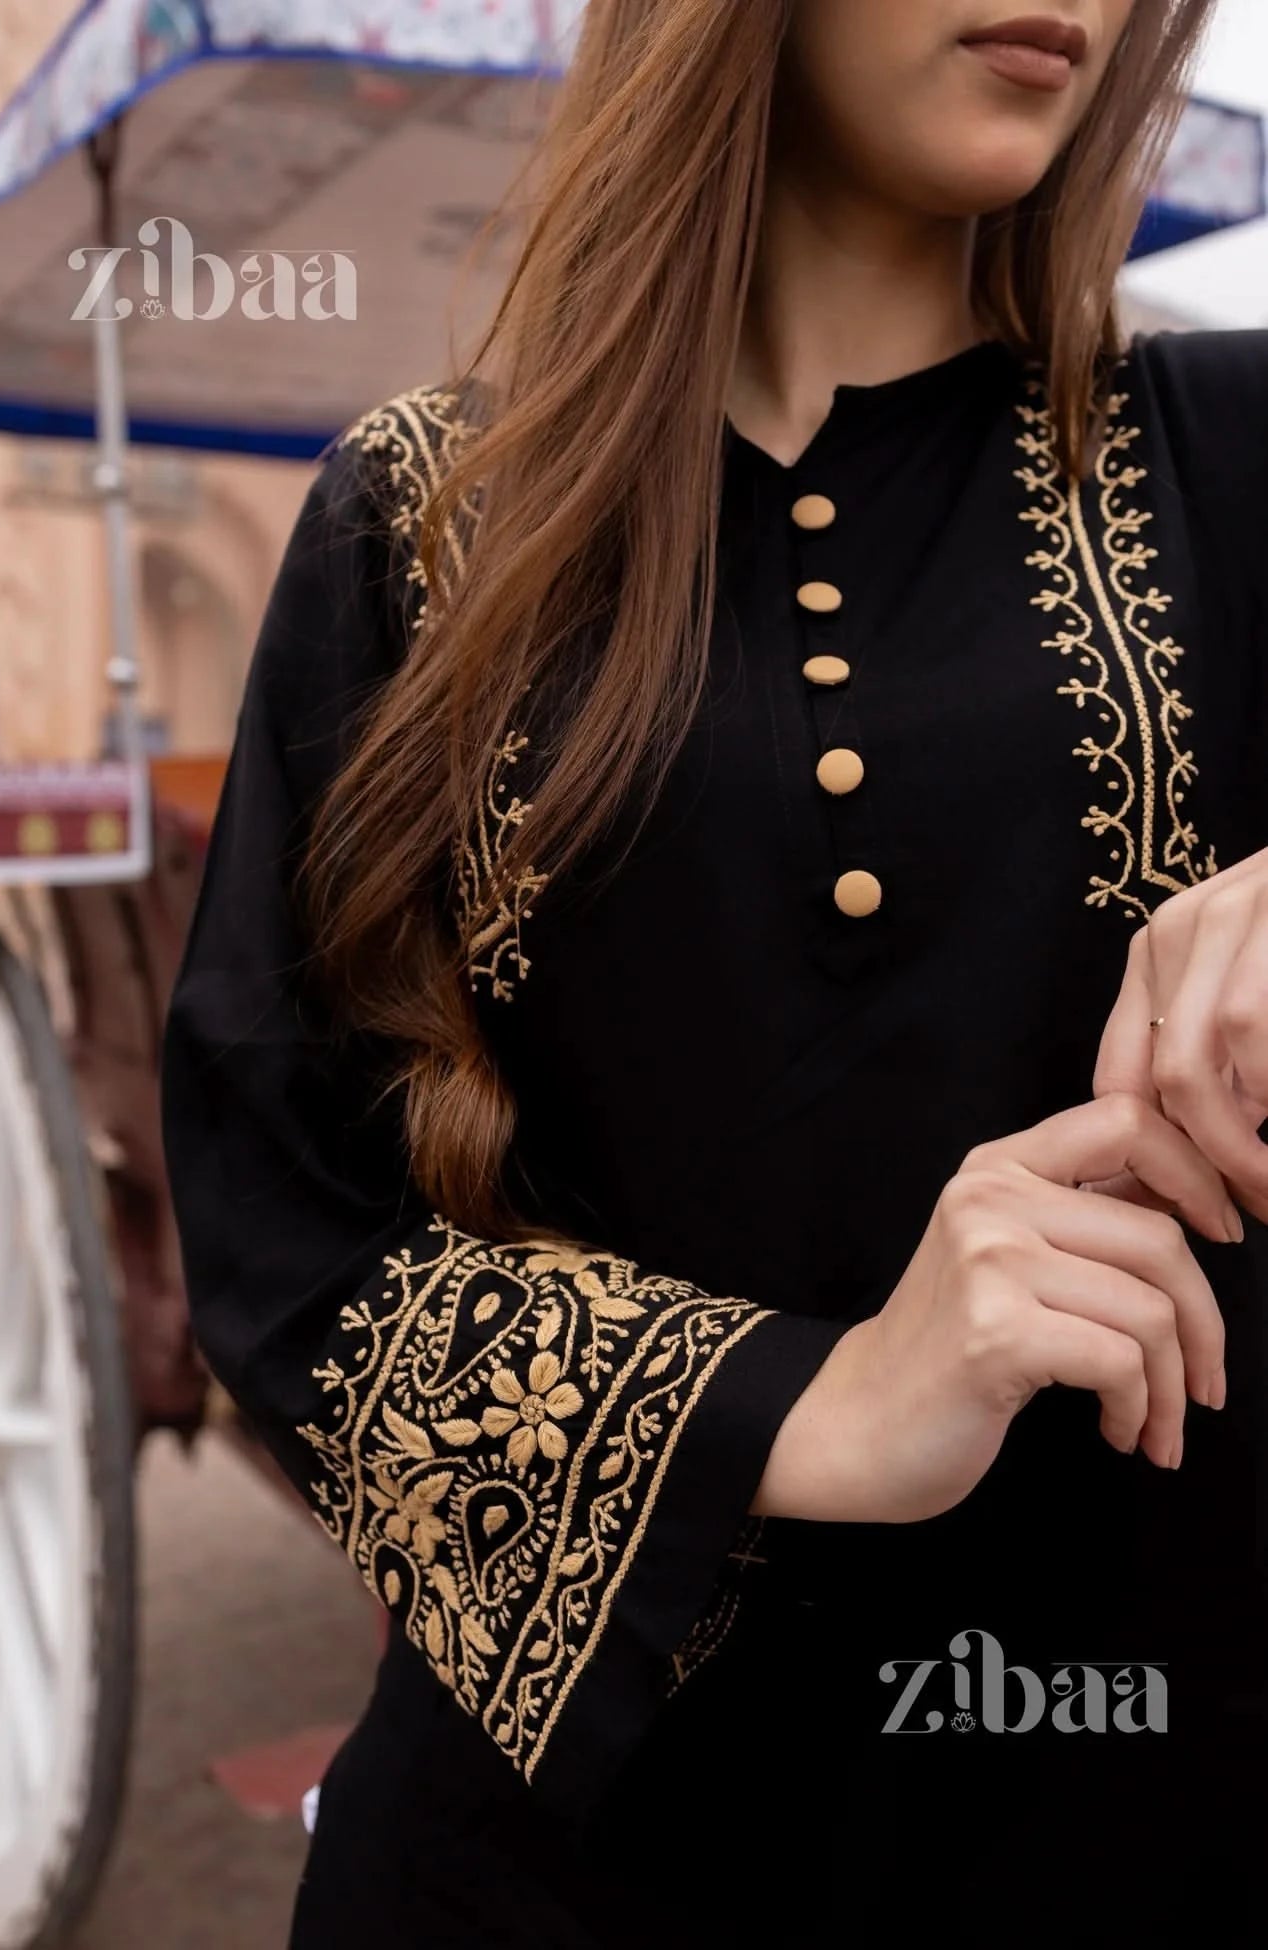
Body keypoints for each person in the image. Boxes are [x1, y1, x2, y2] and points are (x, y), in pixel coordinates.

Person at [161, 1, 1268, 1941]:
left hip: (1152, 1808)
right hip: (560, 1865)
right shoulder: (422, 525)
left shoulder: (1234, 455)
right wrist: (803, 1404)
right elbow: (283, 1222)